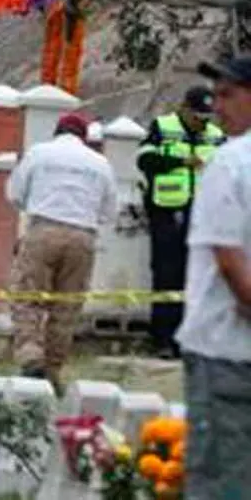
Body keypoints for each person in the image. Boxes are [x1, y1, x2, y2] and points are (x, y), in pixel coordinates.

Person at [177, 54, 251, 497]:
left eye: (228, 94)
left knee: (220, 478)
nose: (216, 106)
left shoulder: (230, 163)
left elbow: (228, 259)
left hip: (224, 348)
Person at [6, 112, 117, 392]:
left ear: (56, 132)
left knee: (27, 296)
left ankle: (31, 356)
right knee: (66, 306)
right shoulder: (100, 163)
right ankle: (53, 370)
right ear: (85, 137)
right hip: (83, 236)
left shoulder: (38, 153)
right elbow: (109, 211)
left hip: (43, 229)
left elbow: (15, 195)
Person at [137, 86, 226, 359]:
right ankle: (163, 339)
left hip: (202, 217)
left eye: (207, 116)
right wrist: (181, 161)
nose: (203, 121)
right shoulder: (163, 127)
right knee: (166, 274)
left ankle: (188, 340)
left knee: (197, 277)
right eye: (198, 115)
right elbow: (145, 159)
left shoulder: (216, 136)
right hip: (166, 212)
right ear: (184, 108)